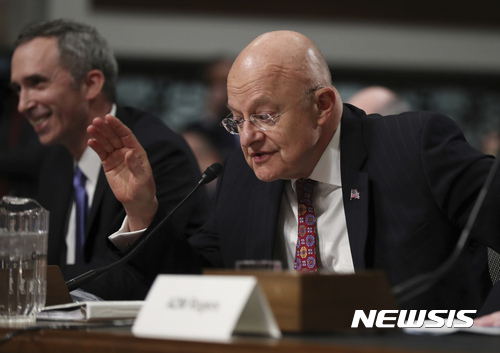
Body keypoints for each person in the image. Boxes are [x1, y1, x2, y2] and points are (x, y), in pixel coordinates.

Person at [88, 30, 500, 312]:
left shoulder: (413, 147)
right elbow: (202, 282)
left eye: (264, 116)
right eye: (237, 119)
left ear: (322, 106)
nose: (247, 138)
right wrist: (143, 210)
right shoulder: (242, 178)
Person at [9, 19, 209, 300]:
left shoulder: (152, 151)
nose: (23, 104)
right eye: (18, 89)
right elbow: (50, 261)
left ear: (90, 84)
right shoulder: (54, 159)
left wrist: (23, 281)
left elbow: (133, 275)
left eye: (37, 83)